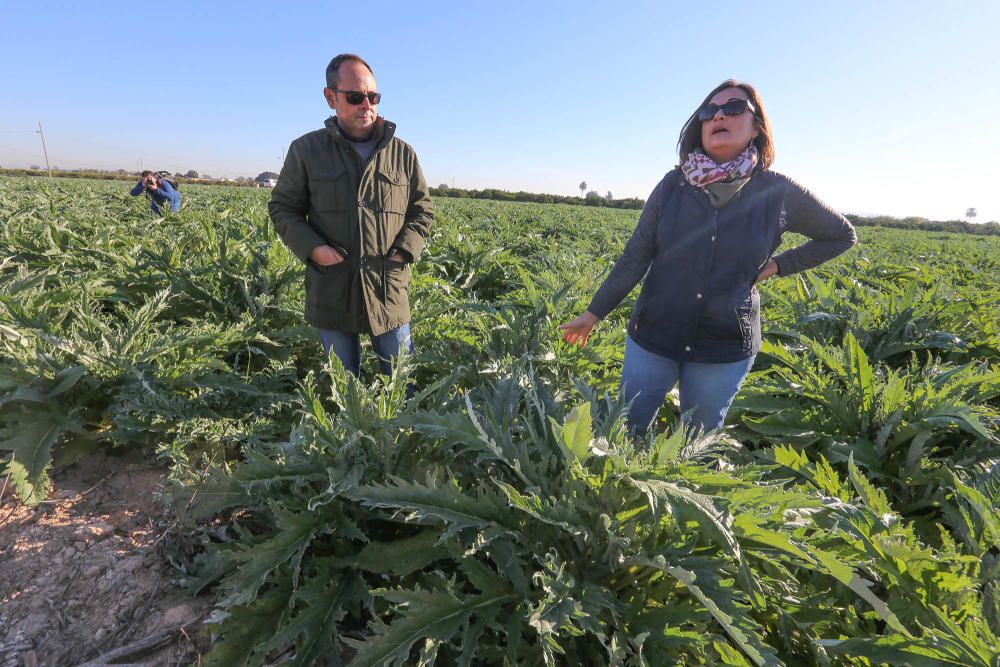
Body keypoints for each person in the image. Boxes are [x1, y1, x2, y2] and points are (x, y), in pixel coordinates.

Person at [559, 79, 857, 436]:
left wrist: (781, 264)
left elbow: (841, 235)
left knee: (697, 441)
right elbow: (635, 257)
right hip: (654, 335)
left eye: (733, 108)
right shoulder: (672, 186)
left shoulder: (778, 192)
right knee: (627, 427)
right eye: (708, 111)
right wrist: (594, 313)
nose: (718, 116)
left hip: (725, 345)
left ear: (757, 127)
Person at [269, 54, 434, 378]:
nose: (366, 105)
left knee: (403, 384)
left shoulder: (402, 154)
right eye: (356, 97)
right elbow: (283, 208)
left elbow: (423, 209)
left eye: (373, 97)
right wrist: (314, 249)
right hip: (333, 290)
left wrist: (404, 250)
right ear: (330, 97)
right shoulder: (306, 150)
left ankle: (400, 431)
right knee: (345, 389)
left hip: (388, 290)